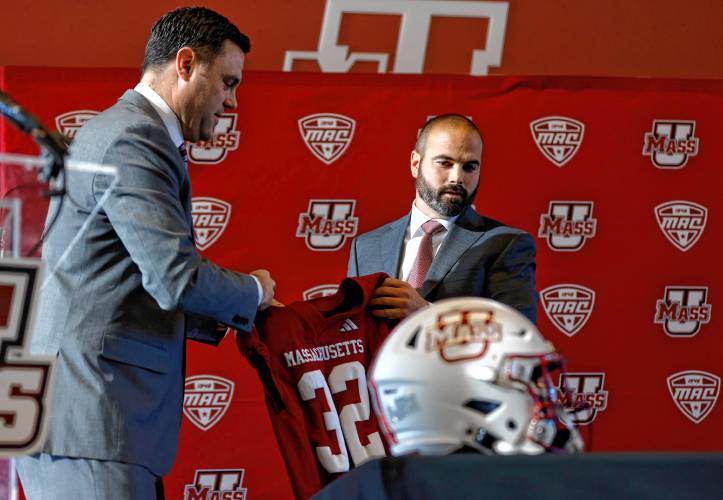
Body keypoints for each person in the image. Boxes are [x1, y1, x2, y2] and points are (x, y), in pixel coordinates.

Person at [16, 7, 275, 499]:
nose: (232, 100)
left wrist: (227, 314)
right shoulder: (137, 138)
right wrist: (254, 291)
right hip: (93, 421)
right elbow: (175, 279)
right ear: (185, 64)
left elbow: (125, 275)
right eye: (227, 82)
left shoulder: (119, 130)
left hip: (88, 422)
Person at [347, 114, 538, 323]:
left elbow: (519, 330)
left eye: (469, 167)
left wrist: (427, 314)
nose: (457, 177)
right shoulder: (365, 247)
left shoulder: (506, 244)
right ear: (415, 163)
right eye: (445, 163)